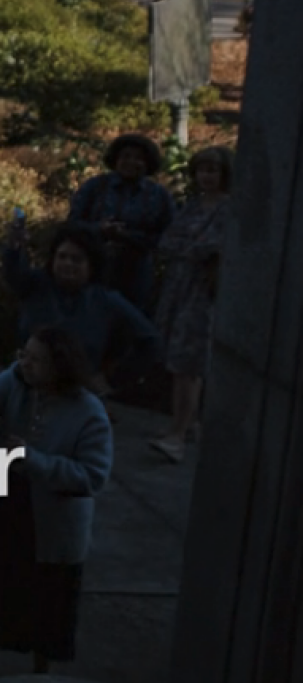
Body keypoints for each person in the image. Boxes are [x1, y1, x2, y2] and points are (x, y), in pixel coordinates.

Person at [0, 326, 113, 683]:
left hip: (53, 522)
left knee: (47, 599)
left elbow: (92, 475)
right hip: (6, 503)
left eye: (36, 360)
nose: (26, 364)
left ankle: (42, 672)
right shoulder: (16, 380)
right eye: (24, 354)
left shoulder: (89, 412)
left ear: (60, 367)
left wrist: (35, 460)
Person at [2, 218, 159, 394]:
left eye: (76, 259)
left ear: (91, 265)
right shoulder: (36, 285)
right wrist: (14, 246)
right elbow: (13, 272)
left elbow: (150, 341)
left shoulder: (106, 300)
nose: (68, 263)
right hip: (25, 384)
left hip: (75, 395)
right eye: (62, 257)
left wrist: (111, 380)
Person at [150, 146, 233, 461]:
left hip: (203, 291)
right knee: (177, 358)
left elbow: (211, 246)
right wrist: (190, 248)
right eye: (202, 170)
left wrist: (193, 249)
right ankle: (185, 423)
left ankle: (178, 434)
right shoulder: (193, 206)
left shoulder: (228, 209)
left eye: (213, 170)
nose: (207, 177)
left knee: (189, 363)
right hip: (179, 286)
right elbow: (169, 241)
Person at [67, 133, 174, 311]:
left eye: (139, 158)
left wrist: (129, 236)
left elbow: (169, 235)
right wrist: (99, 230)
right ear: (115, 159)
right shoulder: (95, 187)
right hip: (94, 269)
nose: (131, 162)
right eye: (126, 156)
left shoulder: (159, 195)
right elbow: (72, 224)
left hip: (138, 273)